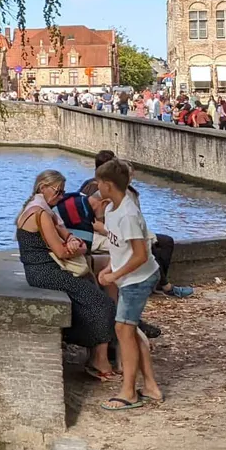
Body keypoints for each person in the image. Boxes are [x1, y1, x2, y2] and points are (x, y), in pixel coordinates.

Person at [16, 170, 116, 381]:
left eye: (62, 192)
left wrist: (71, 239)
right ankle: (98, 359)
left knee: (91, 296)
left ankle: (98, 355)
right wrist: (78, 248)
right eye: (58, 191)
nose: (60, 197)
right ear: (42, 187)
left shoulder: (34, 209)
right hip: (46, 272)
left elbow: (64, 234)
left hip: (37, 271)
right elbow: (61, 252)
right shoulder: (41, 215)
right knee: (102, 302)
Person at [93, 158, 164, 410]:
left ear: (108, 185)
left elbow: (140, 254)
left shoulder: (128, 214)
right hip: (128, 277)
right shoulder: (112, 209)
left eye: (99, 183)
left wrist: (114, 275)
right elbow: (118, 247)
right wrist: (110, 269)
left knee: (123, 329)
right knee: (130, 330)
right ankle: (151, 387)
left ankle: (129, 391)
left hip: (139, 278)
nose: (96, 186)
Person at [78, 150, 192, 299]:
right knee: (147, 244)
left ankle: (157, 284)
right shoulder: (96, 191)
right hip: (104, 233)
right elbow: (90, 219)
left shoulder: (122, 193)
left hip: (119, 230)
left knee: (165, 241)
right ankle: (163, 286)